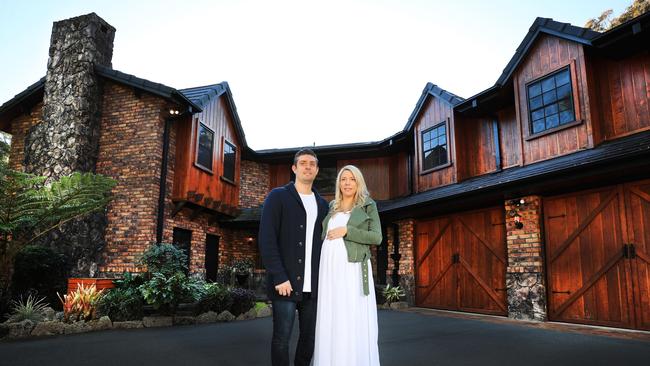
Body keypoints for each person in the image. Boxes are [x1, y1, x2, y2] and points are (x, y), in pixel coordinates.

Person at [258, 149, 329, 366]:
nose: (307, 166)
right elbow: (267, 239)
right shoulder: (277, 196)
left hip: (313, 286)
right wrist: (279, 276)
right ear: (294, 168)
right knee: (282, 339)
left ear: (316, 170)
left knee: (309, 339)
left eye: (312, 164)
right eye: (303, 163)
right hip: (285, 283)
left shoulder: (323, 205)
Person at [313, 165, 382, 366]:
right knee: (332, 315)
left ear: (358, 182)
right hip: (329, 271)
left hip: (352, 269)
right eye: (343, 179)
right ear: (339, 183)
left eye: (352, 179)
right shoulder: (332, 205)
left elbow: (377, 237)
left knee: (350, 316)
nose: (347, 183)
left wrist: (347, 231)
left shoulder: (368, 205)